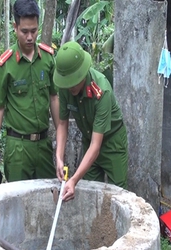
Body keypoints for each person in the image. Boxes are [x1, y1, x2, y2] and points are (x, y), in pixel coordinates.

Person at [0, 0, 59, 182]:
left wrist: (60, 139)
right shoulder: (6, 64)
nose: (30, 37)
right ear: (15, 27)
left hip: (44, 145)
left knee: (48, 197)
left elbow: (54, 98)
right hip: (18, 148)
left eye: (34, 31)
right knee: (17, 202)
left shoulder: (48, 58)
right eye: (24, 31)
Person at [53, 41, 128, 201]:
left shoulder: (102, 91)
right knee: (92, 193)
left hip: (112, 142)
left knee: (118, 195)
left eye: (73, 82)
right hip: (89, 141)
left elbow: (96, 146)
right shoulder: (66, 88)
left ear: (82, 73)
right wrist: (59, 157)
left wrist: (73, 180)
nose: (70, 88)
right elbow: (62, 123)